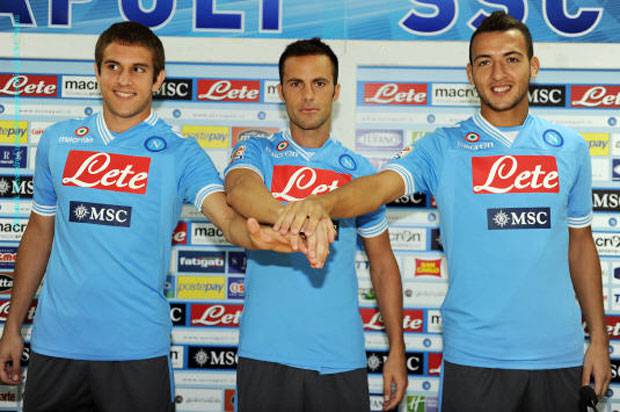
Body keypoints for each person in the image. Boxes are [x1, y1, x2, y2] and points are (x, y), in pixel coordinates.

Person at [273, 12, 611, 411]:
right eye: (484, 62)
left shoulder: (569, 146)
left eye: (511, 59)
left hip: (559, 355)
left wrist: (599, 338)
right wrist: (321, 203)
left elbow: (580, 244)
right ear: (470, 74)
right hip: (474, 356)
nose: (498, 74)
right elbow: (378, 187)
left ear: (533, 66)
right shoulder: (443, 146)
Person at [0, 21, 315, 412]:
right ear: (97, 72)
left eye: (138, 69)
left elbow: (228, 218)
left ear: (158, 79)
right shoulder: (57, 141)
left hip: (137, 348)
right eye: (113, 67)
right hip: (55, 346)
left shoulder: (180, 152)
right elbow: (38, 231)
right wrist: (12, 326)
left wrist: (257, 236)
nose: (124, 80)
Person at [224, 38, 407, 411]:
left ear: (336, 91)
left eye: (319, 83)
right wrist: (304, 218)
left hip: (340, 356)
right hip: (266, 352)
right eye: (296, 83)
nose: (308, 95)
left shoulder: (358, 172)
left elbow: (383, 264)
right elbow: (239, 190)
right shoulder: (256, 150)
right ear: (281, 92)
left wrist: (397, 350)